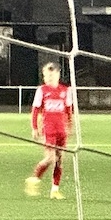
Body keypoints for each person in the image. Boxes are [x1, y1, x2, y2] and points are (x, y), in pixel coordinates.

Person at [24, 62, 75, 200]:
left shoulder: (66, 91)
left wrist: (69, 126)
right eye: (46, 76)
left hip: (61, 130)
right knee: (50, 158)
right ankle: (34, 179)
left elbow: (68, 111)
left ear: (58, 75)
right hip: (49, 130)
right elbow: (35, 110)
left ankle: (55, 190)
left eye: (51, 76)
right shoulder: (42, 90)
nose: (48, 78)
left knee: (59, 160)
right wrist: (34, 127)